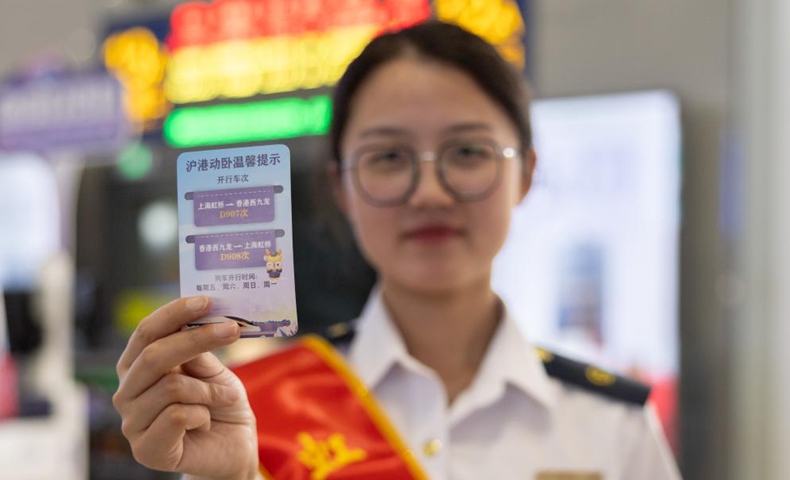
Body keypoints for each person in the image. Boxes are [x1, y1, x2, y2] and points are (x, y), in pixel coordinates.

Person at [113, 21, 682, 480]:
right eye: (388, 157)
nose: (430, 193)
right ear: (341, 187)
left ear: (526, 174)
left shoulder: (613, 426)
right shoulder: (253, 412)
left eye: (467, 151)